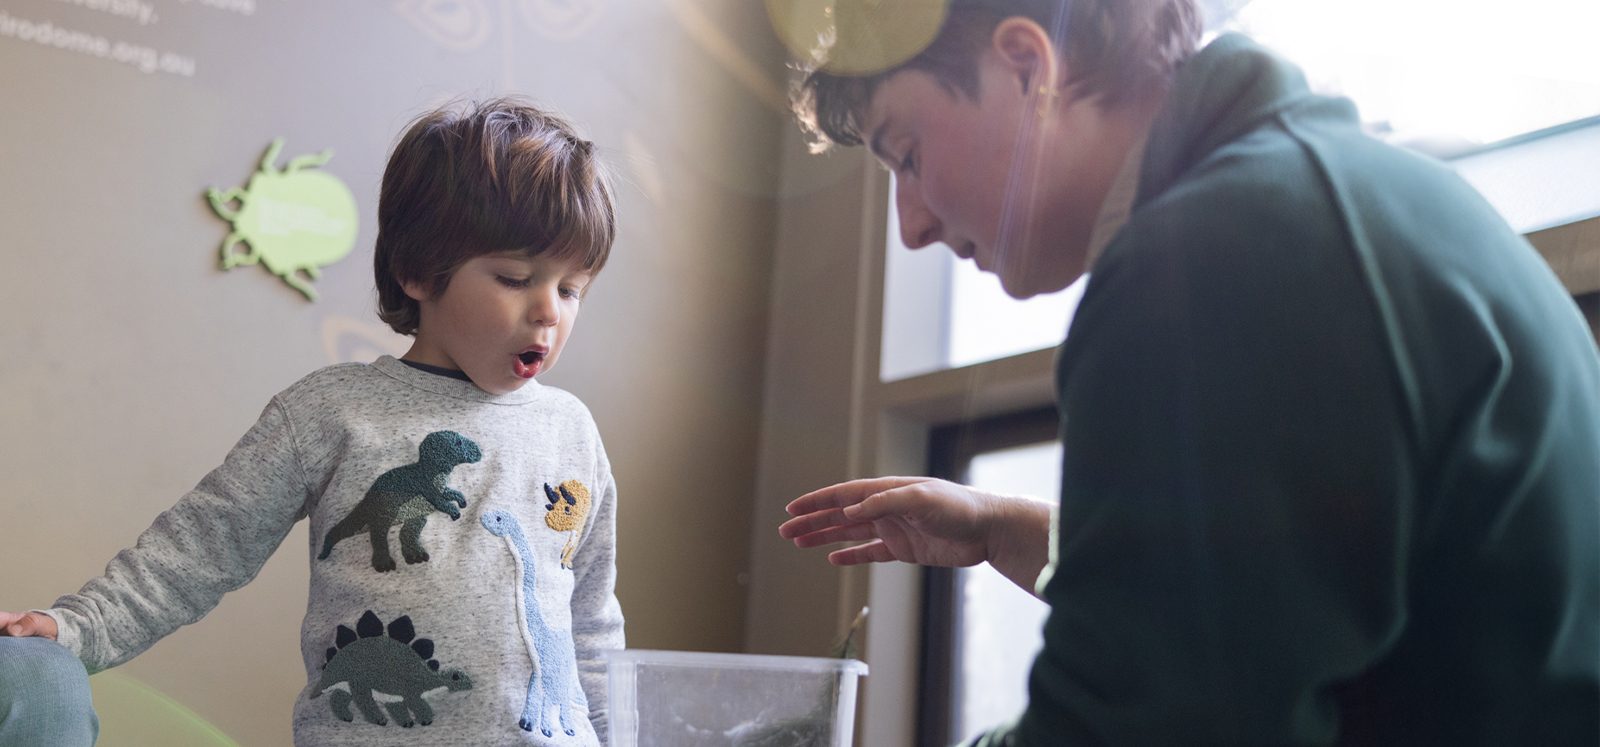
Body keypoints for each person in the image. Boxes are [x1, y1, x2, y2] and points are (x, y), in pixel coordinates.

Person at [778, 1, 1600, 744]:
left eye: (908, 157)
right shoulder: (1330, 195)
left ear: (1030, 68)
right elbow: (1268, 593)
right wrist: (1004, 529)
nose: (911, 226)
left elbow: (1141, 728)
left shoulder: (1212, 255)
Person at [0, 98, 626, 747]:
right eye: (515, 277)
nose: (549, 312)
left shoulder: (571, 430)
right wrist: (78, 625)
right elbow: (201, 546)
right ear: (416, 270)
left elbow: (589, 627)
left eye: (572, 288)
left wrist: (621, 733)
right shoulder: (331, 413)